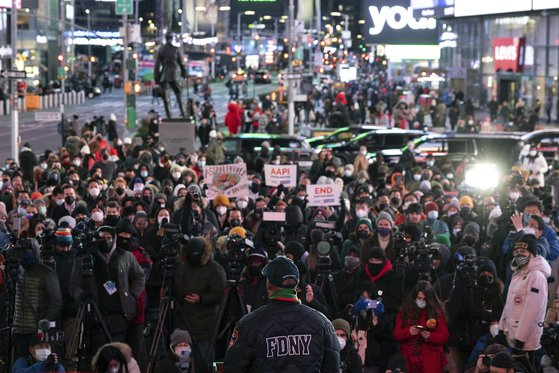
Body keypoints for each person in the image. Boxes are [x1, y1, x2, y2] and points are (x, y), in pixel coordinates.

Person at [223, 256, 340, 372]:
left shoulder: (248, 324)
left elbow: (232, 368)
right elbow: (333, 367)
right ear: (296, 285)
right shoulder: (323, 323)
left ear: (269, 284)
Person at [498, 234, 550, 371]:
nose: (519, 255)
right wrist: (502, 326)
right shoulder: (518, 274)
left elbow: (532, 311)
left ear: (532, 253)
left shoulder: (536, 276)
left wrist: (520, 338)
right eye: (516, 252)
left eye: (523, 252)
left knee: (526, 368)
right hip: (513, 334)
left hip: (526, 339)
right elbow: (509, 303)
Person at [394, 281, 449, 373]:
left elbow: (444, 336)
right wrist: (409, 332)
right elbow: (396, 334)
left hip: (431, 360)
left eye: (424, 299)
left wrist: (429, 336)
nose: (421, 301)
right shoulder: (405, 311)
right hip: (409, 360)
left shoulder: (437, 312)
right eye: (419, 298)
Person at [154, 31, 187, 118]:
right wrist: (184, 74)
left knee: (166, 97)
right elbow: (182, 64)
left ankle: (169, 116)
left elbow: (156, 66)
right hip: (175, 75)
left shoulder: (161, 50)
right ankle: (183, 114)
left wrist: (156, 78)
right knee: (179, 94)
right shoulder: (176, 49)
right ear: (172, 38)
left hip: (164, 75)